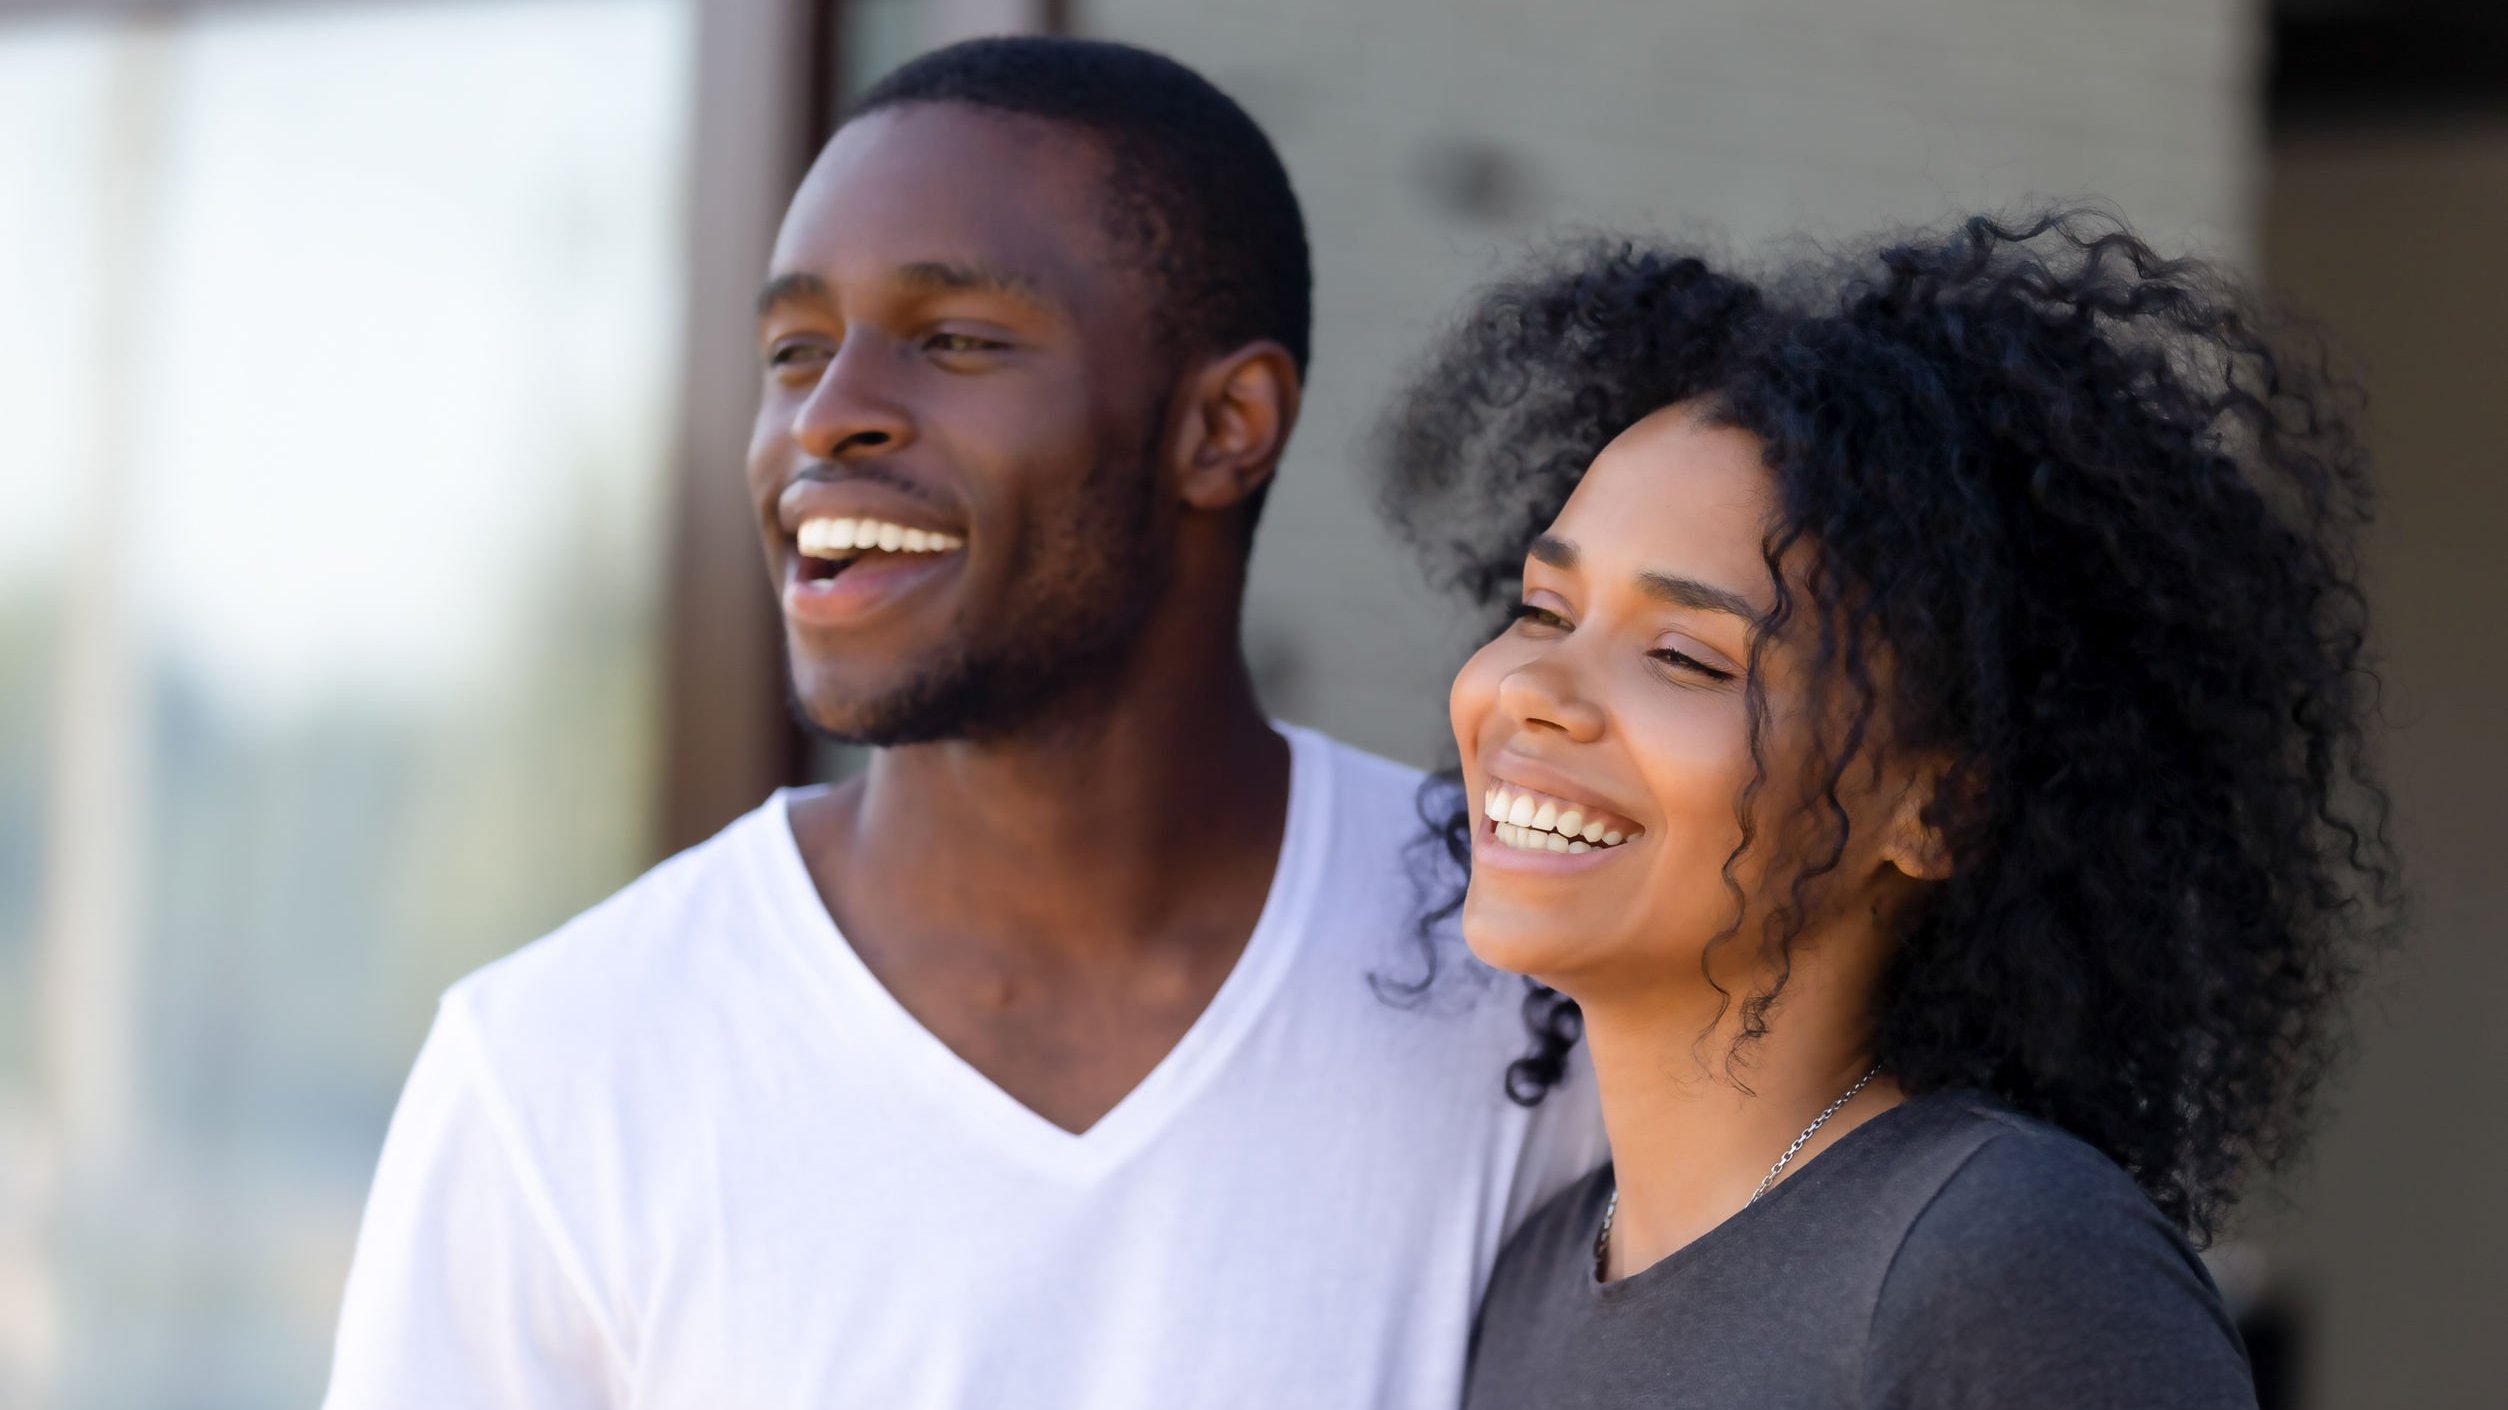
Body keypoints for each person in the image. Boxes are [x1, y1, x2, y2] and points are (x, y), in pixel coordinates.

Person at [323, 37, 1599, 1409]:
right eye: (794, 351)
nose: (829, 416)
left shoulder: (1529, 969)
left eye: (954, 343)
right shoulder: (559, 1071)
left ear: (1225, 426)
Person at [1376, 210, 2395, 1408]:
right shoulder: (1533, 1283)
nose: (1533, 692)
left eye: (1687, 657)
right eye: (1544, 612)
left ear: (1936, 808)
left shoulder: (2006, 1263)